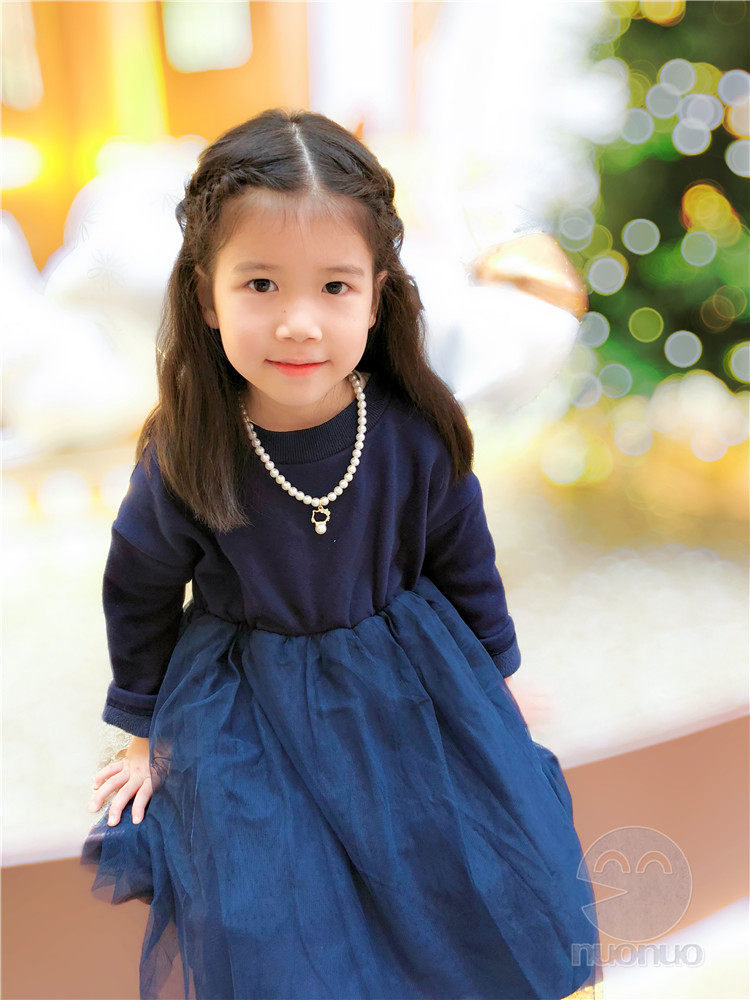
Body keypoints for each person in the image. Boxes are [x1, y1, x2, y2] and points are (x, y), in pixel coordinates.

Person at [80, 108, 603, 1000]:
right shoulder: (188, 450)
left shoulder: (413, 431)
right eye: (259, 285)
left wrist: (499, 675)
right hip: (246, 705)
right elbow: (138, 589)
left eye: (334, 287)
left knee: (457, 876)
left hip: (406, 681)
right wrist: (139, 733)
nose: (299, 323)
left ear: (377, 295)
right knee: (273, 910)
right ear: (205, 296)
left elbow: (463, 557)